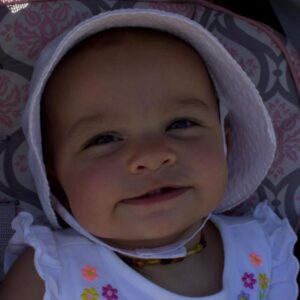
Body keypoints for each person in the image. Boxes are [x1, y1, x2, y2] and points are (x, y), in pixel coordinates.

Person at [0, 8, 298, 300]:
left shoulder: (266, 250)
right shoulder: (50, 274)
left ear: (225, 143)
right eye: (104, 139)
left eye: (180, 124)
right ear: (55, 175)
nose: (152, 156)